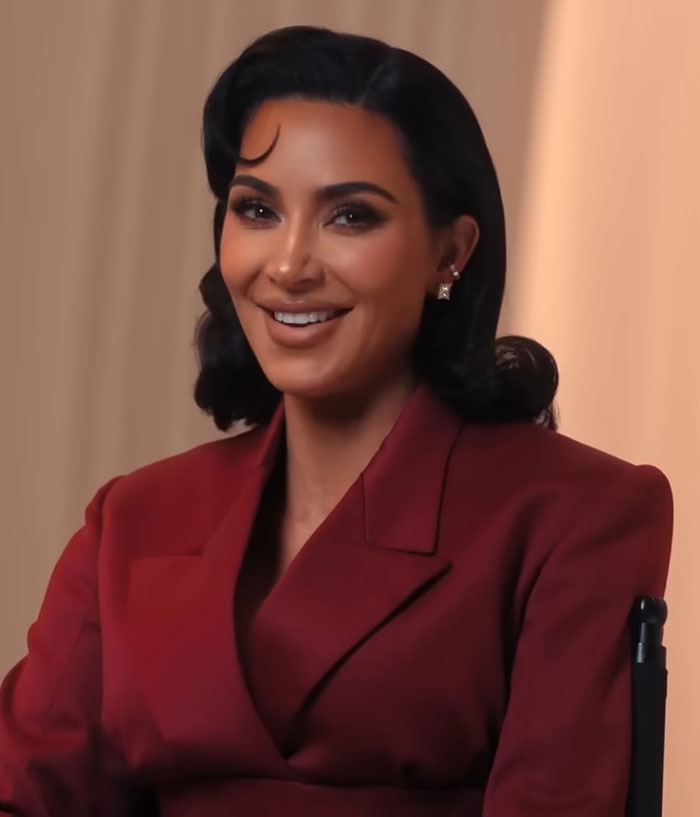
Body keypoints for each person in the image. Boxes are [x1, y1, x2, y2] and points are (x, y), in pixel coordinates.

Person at [0, 25, 673, 817]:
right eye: (256, 209)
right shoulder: (131, 520)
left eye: (349, 217)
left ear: (449, 254)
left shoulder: (577, 513)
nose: (287, 265)